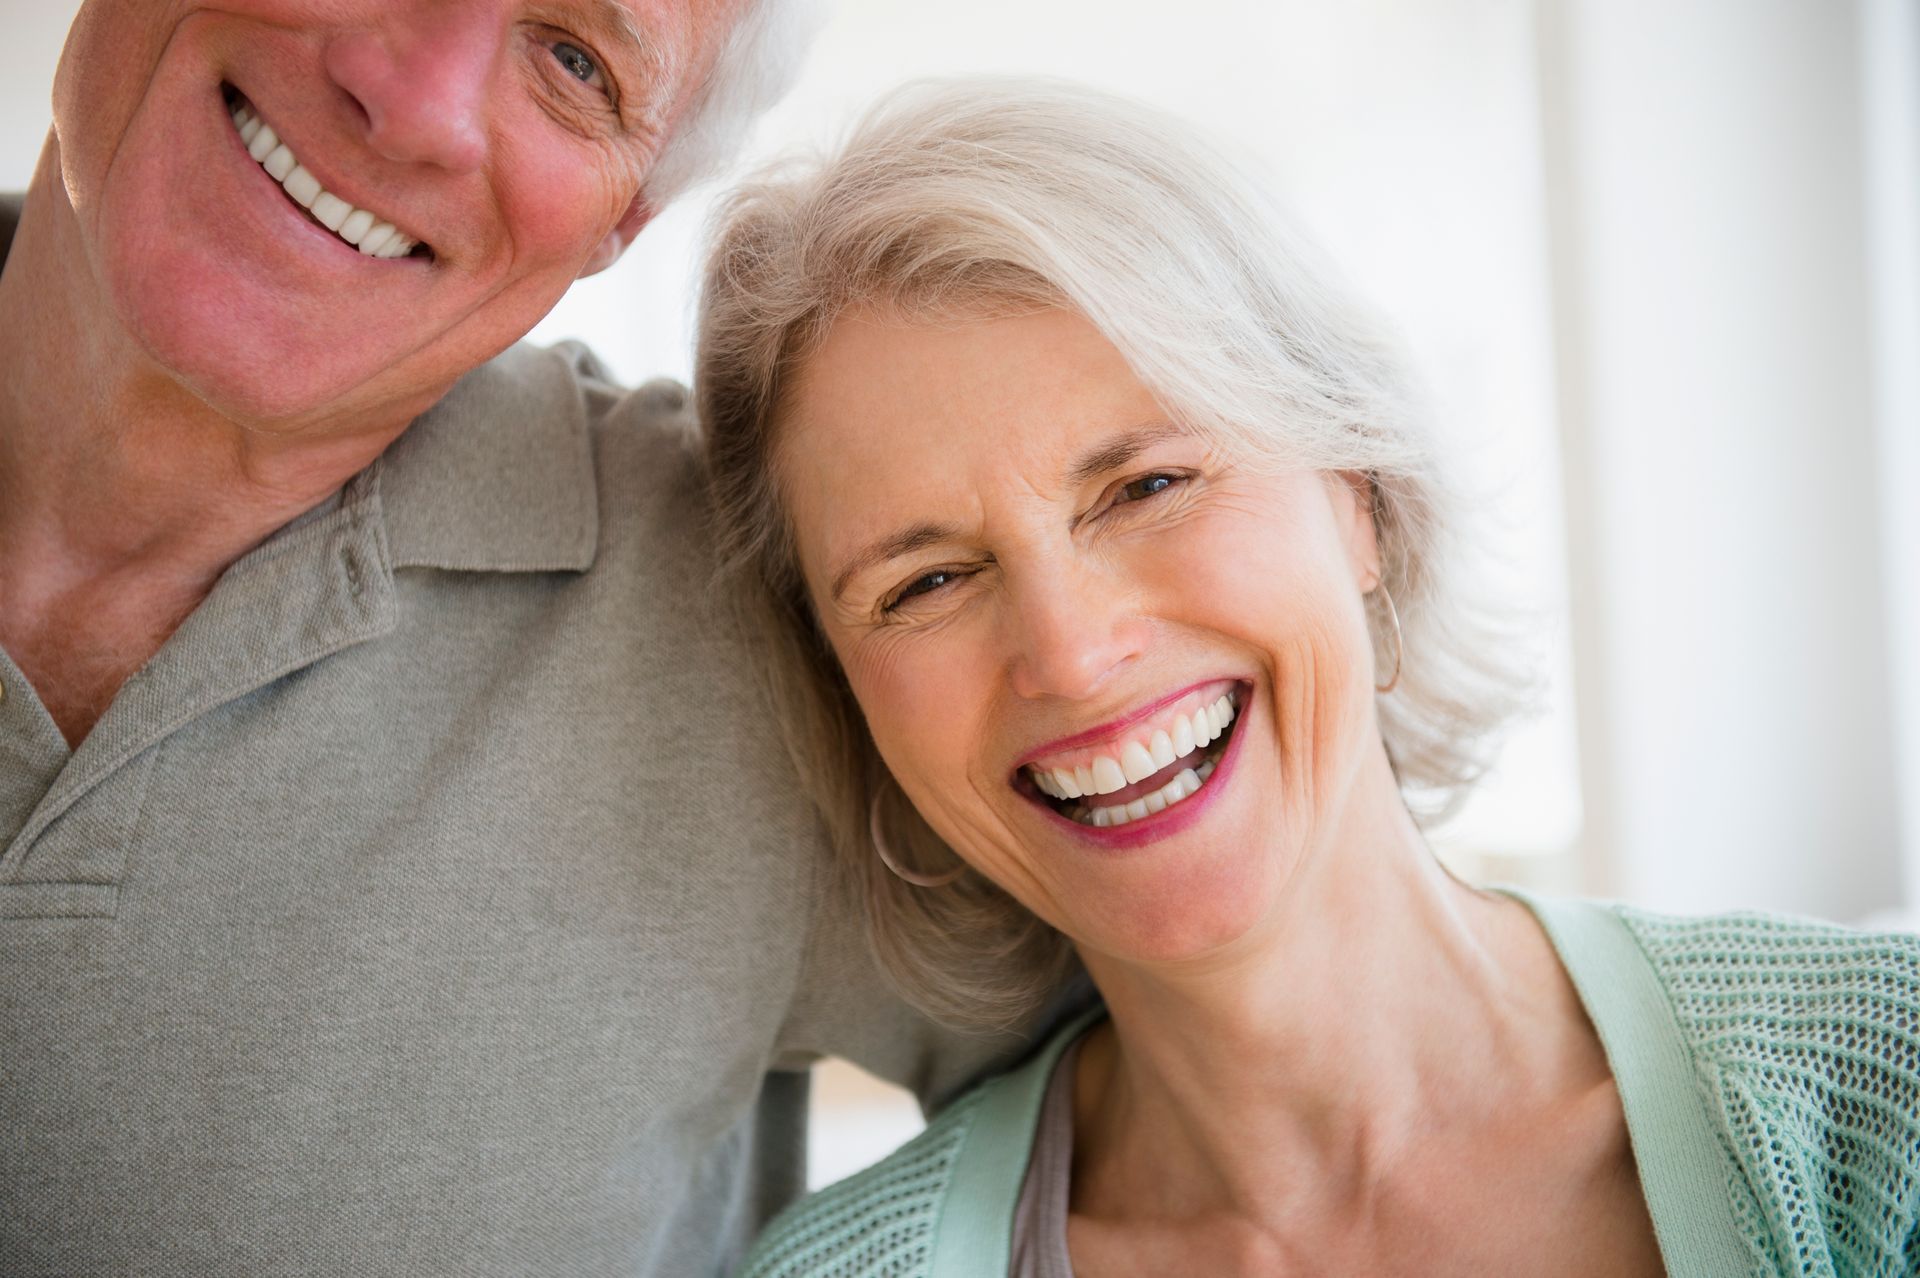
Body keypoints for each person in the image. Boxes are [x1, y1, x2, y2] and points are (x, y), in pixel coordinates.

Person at [696, 78, 1920, 1276]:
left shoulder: (1889, 1090)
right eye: (927, 584)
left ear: (1359, 500)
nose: (1070, 655)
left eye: (1147, 487)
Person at [0, 7, 1062, 1275]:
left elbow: (1268, 1095)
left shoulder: (758, 620)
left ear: (626, 218)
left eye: (575, 61)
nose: (417, 101)